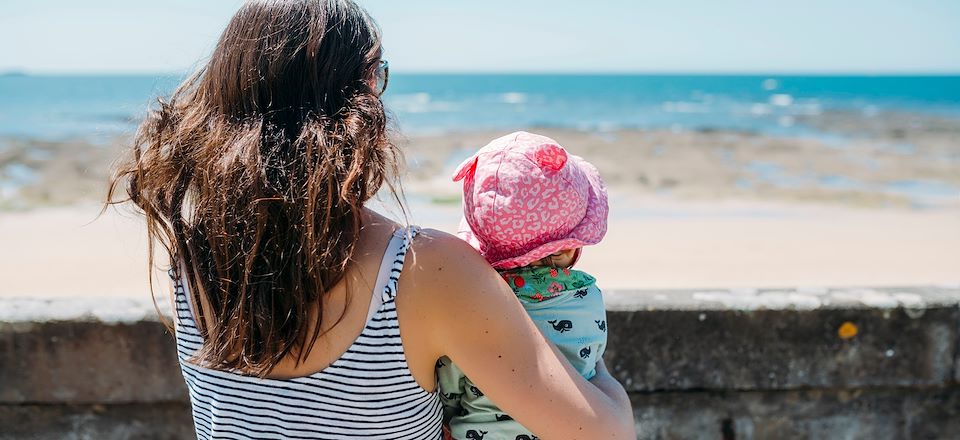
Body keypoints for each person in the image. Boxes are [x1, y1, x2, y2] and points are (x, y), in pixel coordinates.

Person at [107, 1, 635, 439]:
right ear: (357, 102)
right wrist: (589, 361)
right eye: (377, 77)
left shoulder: (192, 261)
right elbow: (603, 432)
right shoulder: (424, 270)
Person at [438, 132, 612, 440]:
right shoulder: (588, 299)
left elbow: (449, 389)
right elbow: (592, 363)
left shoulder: (472, 306)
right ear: (569, 249)